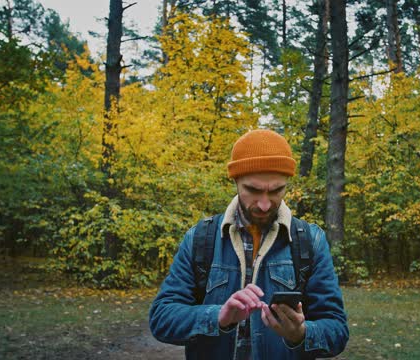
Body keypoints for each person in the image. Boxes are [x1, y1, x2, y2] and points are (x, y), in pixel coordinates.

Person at [149, 129, 349, 359]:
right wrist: (218, 317)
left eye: (276, 191)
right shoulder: (200, 238)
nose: (264, 204)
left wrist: (301, 333)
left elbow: (337, 331)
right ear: (235, 181)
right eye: (253, 190)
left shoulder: (310, 241)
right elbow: (162, 318)